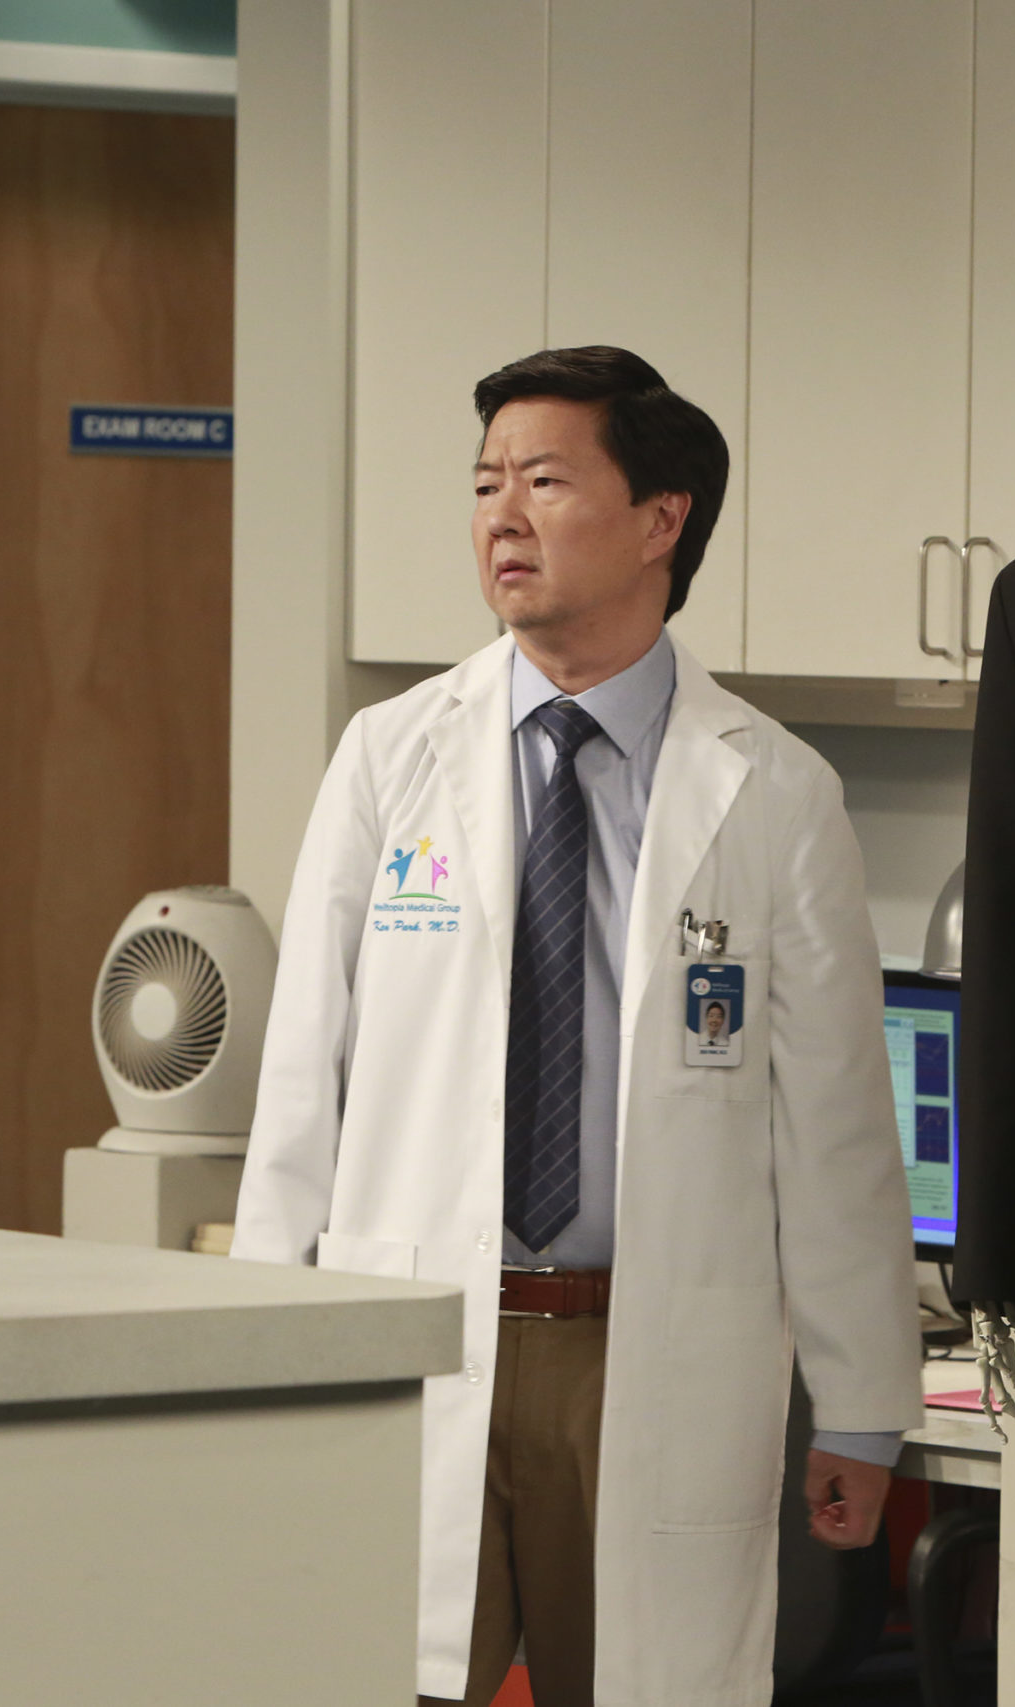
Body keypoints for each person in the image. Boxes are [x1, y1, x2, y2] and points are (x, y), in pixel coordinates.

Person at [234, 346, 922, 1706]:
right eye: (485, 482)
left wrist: (862, 1403)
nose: (501, 515)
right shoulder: (390, 754)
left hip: (645, 1348)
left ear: (662, 518)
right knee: (383, 1675)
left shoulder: (777, 792)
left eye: (544, 482)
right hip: (417, 1330)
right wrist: (260, 1346)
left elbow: (836, 1127)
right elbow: (303, 1078)